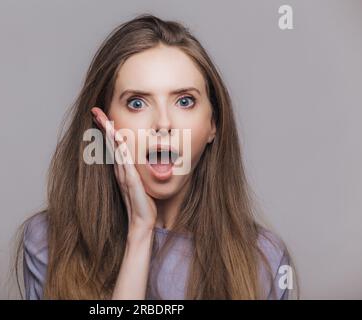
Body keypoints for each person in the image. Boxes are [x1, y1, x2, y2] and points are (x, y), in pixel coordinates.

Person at [16, 13, 295, 300]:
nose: (163, 124)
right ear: (104, 123)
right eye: (137, 103)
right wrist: (140, 233)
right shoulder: (48, 242)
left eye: (184, 101)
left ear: (213, 124)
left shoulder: (263, 260)